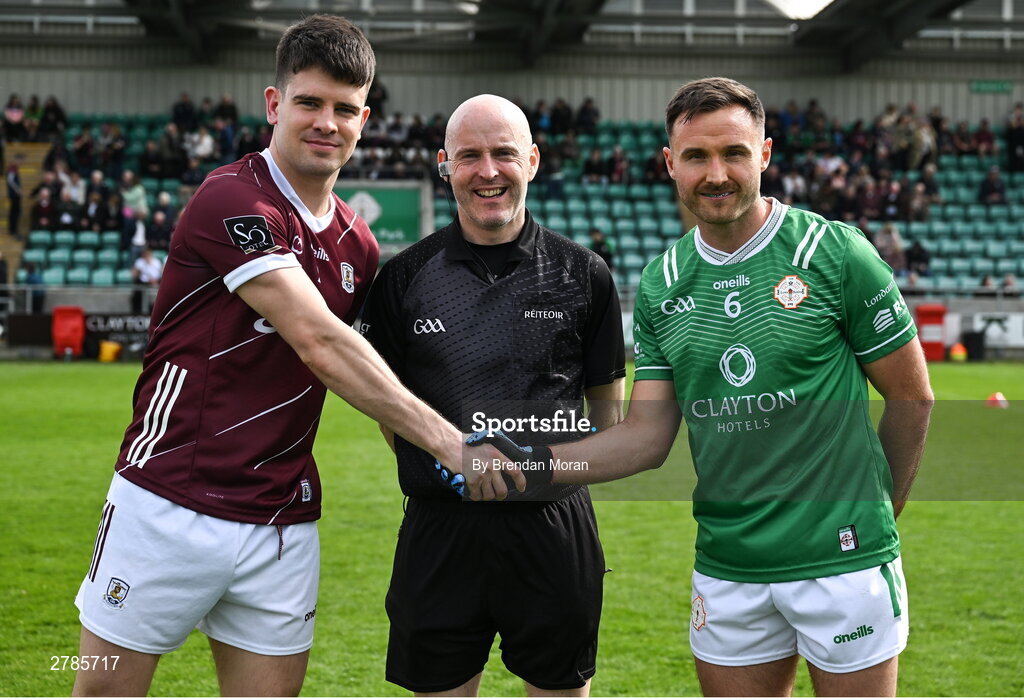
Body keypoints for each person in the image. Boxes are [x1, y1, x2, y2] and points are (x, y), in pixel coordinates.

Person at [72, 15, 501, 698]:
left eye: (344, 109)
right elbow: (322, 343)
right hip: (166, 501)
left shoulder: (359, 244)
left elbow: (372, 375)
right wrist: (454, 446)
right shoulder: (232, 200)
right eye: (309, 102)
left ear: (365, 120)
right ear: (275, 104)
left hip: (281, 522)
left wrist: (446, 484)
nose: (327, 122)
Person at [479, 77, 934, 697]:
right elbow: (645, 438)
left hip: (843, 561)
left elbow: (912, 397)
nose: (716, 173)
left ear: (765, 155)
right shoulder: (664, 282)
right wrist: (531, 462)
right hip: (729, 567)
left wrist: (881, 513)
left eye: (734, 153)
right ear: (671, 164)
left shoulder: (835, 253)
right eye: (696, 156)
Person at [362, 94, 626, 697]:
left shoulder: (583, 274)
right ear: (444, 163)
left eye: (504, 153)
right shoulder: (404, 278)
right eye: (470, 156)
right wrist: (449, 464)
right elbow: (388, 407)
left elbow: (607, 418)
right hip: (440, 527)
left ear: (531, 160)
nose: (488, 171)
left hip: (552, 527)